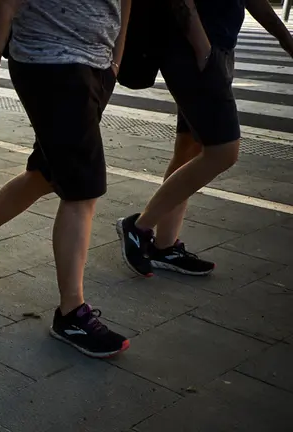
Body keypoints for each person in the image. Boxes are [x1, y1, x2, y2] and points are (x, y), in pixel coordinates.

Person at [0, 0, 132, 358]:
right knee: (82, 192)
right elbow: (5, 5)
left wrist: (113, 62)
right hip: (51, 64)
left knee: (48, 173)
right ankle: (71, 313)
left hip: (97, 66)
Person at [117, 0, 293, 277]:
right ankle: (139, 227)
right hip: (195, 50)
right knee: (223, 151)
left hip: (211, 48)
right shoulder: (200, 49)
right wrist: (203, 48)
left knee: (190, 147)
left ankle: (164, 245)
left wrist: (285, 38)